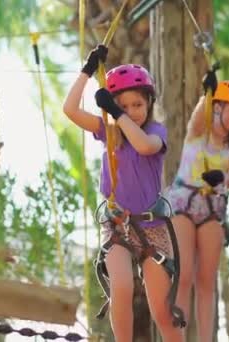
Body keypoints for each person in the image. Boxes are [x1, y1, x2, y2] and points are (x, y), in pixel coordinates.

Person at [63, 44, 184, 342]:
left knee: (162, 312)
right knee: (121, 289)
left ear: (149, 104)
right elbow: (70, 110)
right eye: (124, 105)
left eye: (137, 105)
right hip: (117, 225)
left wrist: (115, 110)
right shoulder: (109, 132)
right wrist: (87, 71)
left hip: (153, 228)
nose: (131, 111)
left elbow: (143, 145)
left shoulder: (157, 133)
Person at [164, 72, 229, 341]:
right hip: (182, 201)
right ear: (219, 107)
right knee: (183, 275)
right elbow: (198, 117)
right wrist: (208, 92)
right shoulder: (199, 130)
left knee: (206, 281)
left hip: (212, 206)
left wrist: (223, 178)